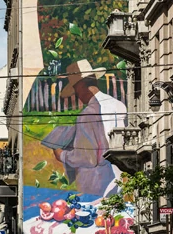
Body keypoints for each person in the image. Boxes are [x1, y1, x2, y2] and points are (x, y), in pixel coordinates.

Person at [52, 60, 128, 197]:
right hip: (121, 178)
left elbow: (86, 157)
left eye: (75, 89)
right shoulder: (117, 104)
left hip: (100, 183)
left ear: (81, 85)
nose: (76, 94)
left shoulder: (87, 114)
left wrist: (61, 155)